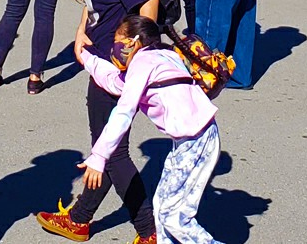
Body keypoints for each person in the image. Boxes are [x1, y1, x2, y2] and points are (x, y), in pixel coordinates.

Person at [36, 0, 160, 244]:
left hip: (116, 68)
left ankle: (149, 231)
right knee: (104, 148)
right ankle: (80, 218)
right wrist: (80, 31)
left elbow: (149, 2)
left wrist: (135, 55)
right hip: (105, 64)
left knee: (113, 152)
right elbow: (97, 5)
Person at [76, 14, 224, 244]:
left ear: (133, 42)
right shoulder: (163, 56)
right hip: (196, 139)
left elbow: (123, 111)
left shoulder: (143, 63)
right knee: (161, 208)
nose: (115, 48)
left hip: (196, 142)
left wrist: (98, 156)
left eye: (118, 41)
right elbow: (115, 82)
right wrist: (86, 57)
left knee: (174, 218)